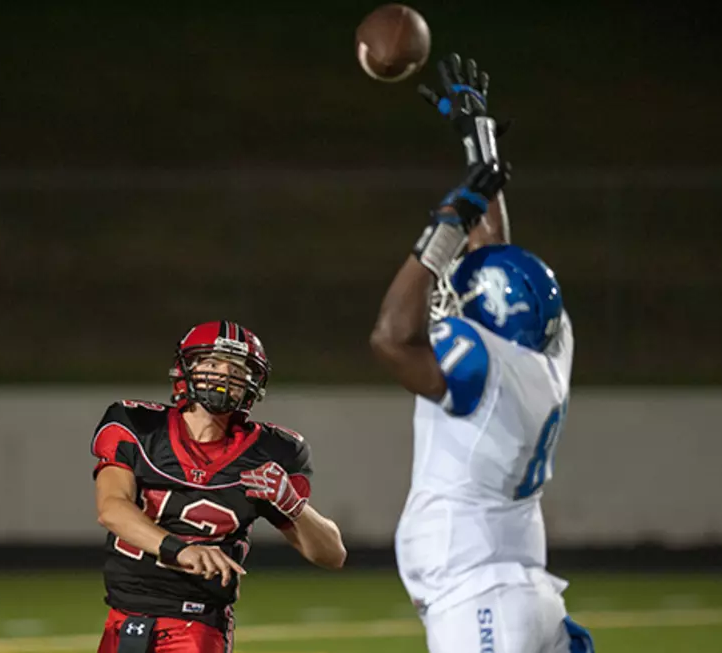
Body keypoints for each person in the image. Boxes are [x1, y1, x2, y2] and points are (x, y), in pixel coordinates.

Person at [370, 53, 595, 653]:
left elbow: (391, 337)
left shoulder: (485, 368)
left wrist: (444, 227)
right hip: (516, 577)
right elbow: (496, 257)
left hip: (480, 595)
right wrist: (481, 145)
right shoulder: (548, 341)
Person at [93, 320, 346, 653]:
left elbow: (332, 555)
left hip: (197, 625)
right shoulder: (137, 425)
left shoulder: (271, 453)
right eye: (212, 364)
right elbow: (111, 508)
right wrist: (181, 549)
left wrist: (295, 506)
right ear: (186, 370)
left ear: (252, 382)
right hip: (123, 617)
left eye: (237, 369)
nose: (224, 376)